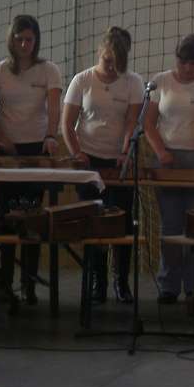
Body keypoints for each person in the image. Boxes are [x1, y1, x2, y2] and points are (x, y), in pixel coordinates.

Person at [143, 34, 194, 303]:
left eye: (193, 63)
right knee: (170, 225)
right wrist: (161, 152)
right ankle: (169, 285)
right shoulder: (160, 81)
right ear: (176, 59)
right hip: (167, 160)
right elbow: (148, 123)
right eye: (183, 63)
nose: (188, 68)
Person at [62, 26, 141, 305]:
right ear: (100, 52)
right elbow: (67, 123)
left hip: (118, 161)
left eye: (117, 63)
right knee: (93, 222)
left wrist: (125, 152)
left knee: (122, 222)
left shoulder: (133, 82)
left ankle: (121, 281)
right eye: (108, 60)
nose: (111, 68)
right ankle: (98, 281)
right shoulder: (82, 80)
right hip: (89, 159)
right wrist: (77, 152)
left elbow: (131, 122)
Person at [0, 14, 63, 308]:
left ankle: (29, 282)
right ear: (12, 39)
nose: (24, 44)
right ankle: (5, 282)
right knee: (7, 216)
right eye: (19, 39)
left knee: (32, 219)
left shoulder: (48, 70)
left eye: (29, 39)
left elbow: (54, 107)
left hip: (37, 149)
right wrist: (0, 138)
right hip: (8, 151)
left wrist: (51, 135)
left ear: (36, 40)